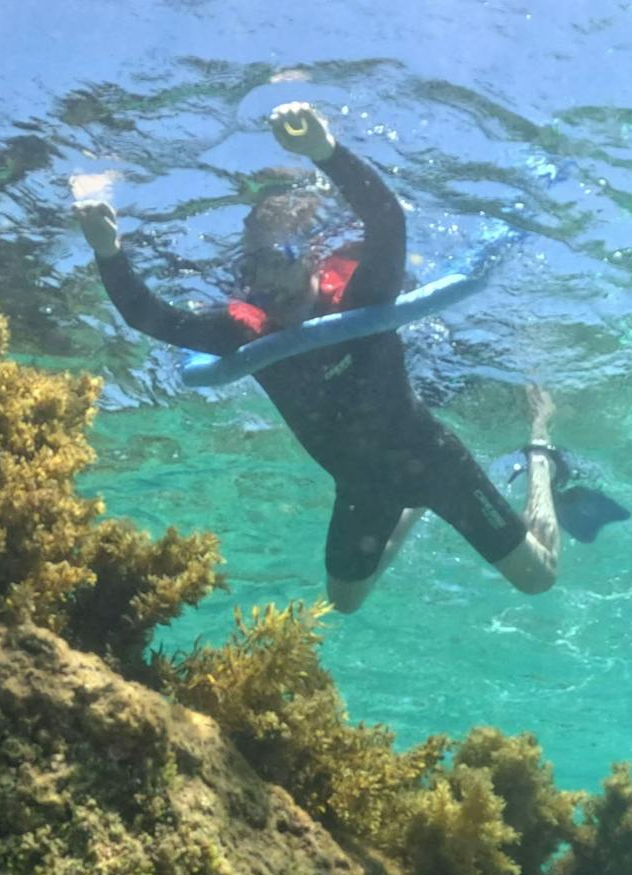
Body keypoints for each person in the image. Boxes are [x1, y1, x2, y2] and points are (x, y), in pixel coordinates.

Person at [74, 101, 562, 613]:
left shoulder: (360, 299)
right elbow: (151, 319)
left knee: (537, 578)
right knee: (344, 602)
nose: (269, 282)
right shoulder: (244, 333)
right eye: (254, 268)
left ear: (309, 255)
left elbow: (387, 222)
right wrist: (108, 252)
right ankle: (412, 511)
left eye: (280, 259)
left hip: (433, 461)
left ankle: (540, 452)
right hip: (360, 488)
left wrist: (325, 152)